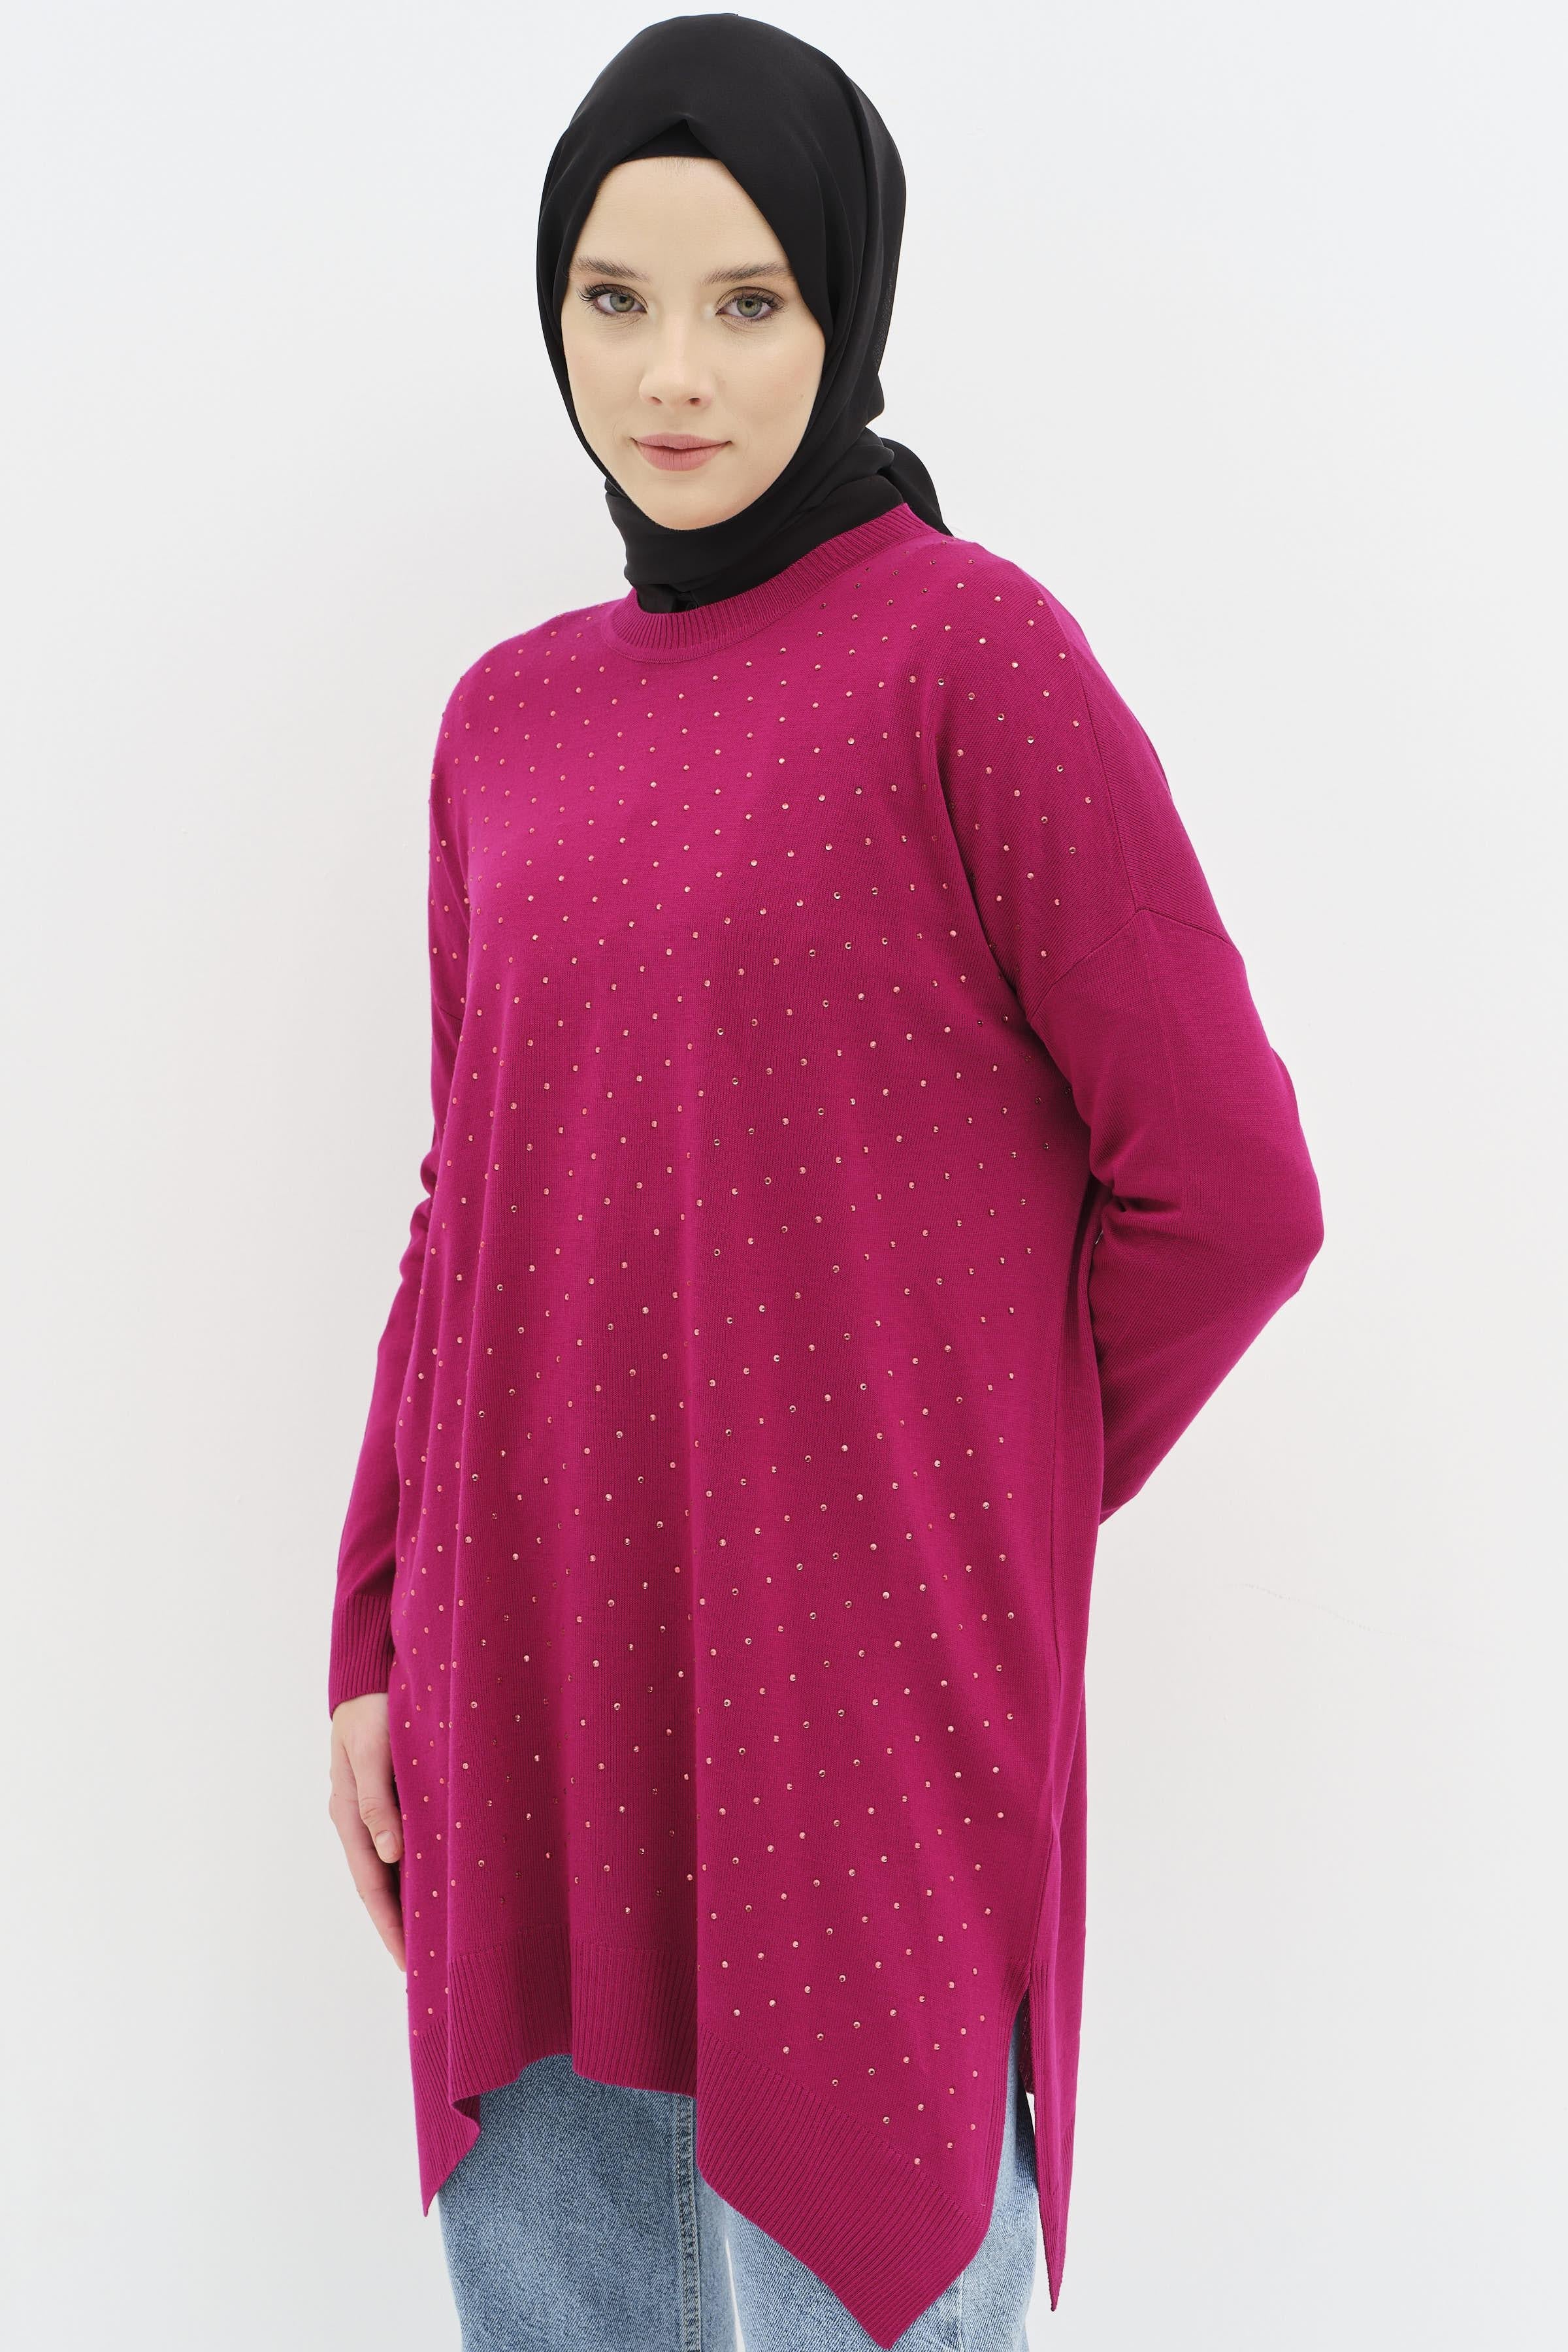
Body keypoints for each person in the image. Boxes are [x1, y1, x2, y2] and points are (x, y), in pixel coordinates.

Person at [326, 15, 1325, 2349]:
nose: (671, 373)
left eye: (749, 300)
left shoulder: (973, 661)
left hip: (849, 1722)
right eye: (614, 299)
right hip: (526, 1692)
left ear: (847, 302)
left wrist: (956, 1488)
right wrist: (371, 1631)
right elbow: (466, 1213)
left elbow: (1230, 1192)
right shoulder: (503, 720)